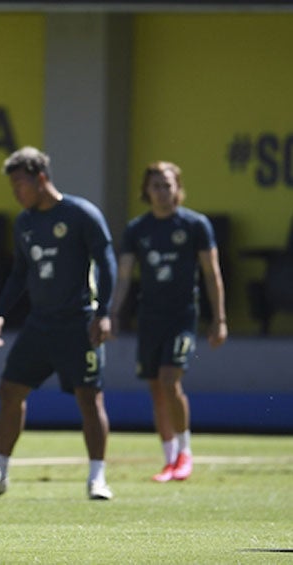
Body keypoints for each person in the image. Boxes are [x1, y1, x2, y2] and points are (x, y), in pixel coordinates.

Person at [0, 146, 117, 500]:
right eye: (13, 185)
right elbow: (19, 273)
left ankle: (97, 478)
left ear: (41, 178)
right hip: (39, 325)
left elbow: (106, 262)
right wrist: (0, 311)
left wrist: (104, 311)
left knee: (89, 398)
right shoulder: (25, 222)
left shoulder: (80, 214)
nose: (16, 192)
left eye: (20, 184)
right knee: (10, 391)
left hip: (79, 323)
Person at [109, 161, 227, 482]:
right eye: (156, 186)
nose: (162, 191)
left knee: (169, 379)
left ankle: (185, 453)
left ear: (178, 188)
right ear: (147, 191)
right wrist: (113, 313)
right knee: (156, 388)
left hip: (182, 317)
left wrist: (219, 319)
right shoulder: (137, 229)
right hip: (150, 318)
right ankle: (169, 459)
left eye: (167, 185)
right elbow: (124, 278)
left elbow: (211, 273)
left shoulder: (195, 225)